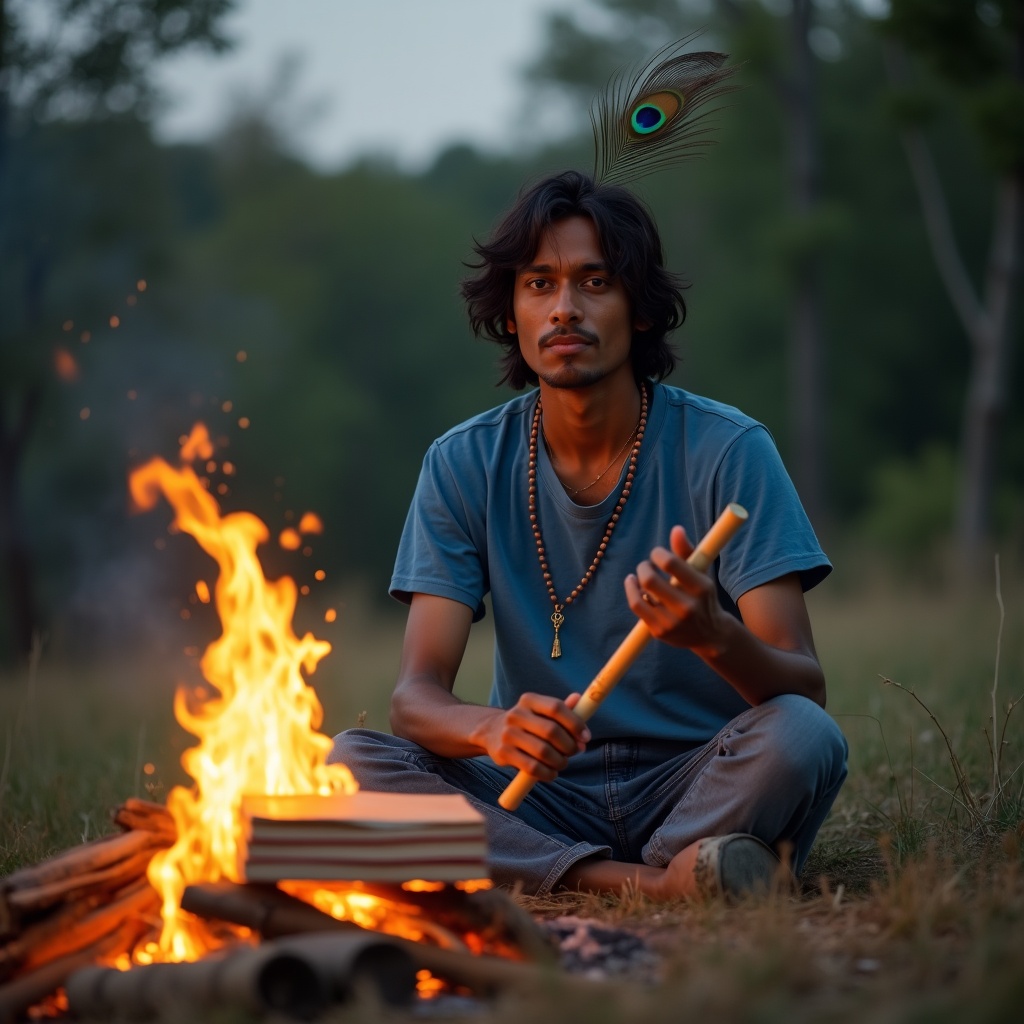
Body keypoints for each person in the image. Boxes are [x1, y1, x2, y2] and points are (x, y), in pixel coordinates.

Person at [329, 170, 847, 900]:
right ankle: (653, 883)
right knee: (352, 761)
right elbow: (414, 698)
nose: (564, 309)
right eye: (539, 284)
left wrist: (710, 635)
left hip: (699, 780)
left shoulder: (729, 449)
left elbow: (804, 688)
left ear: (639, 309)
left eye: (595, 282)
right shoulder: (463, 462)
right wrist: (491, 730)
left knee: (803, 738)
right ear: (510, 312)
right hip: (538, 789)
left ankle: (598, 863)